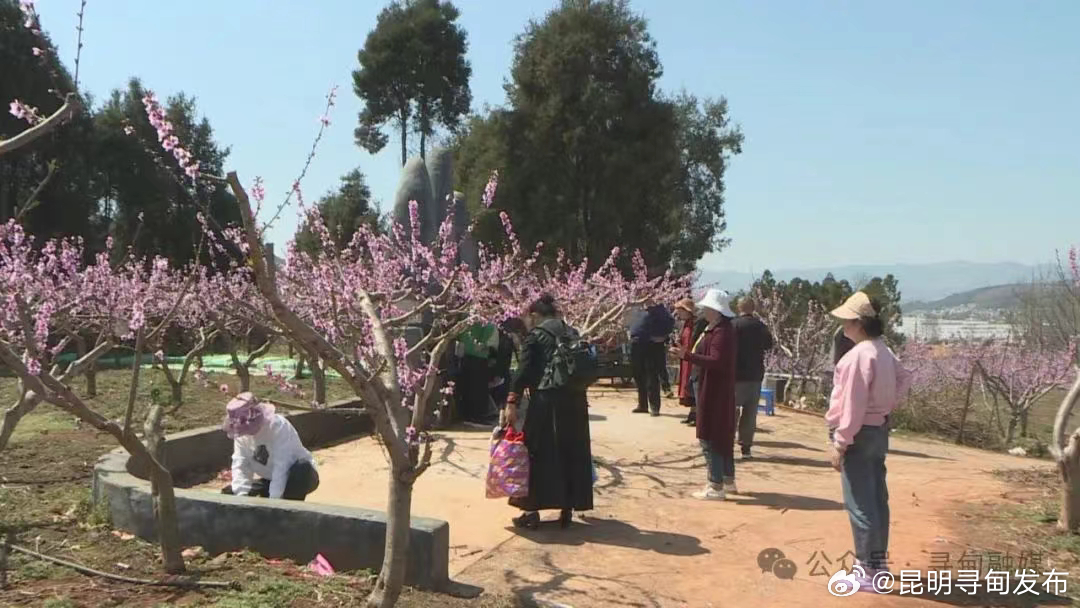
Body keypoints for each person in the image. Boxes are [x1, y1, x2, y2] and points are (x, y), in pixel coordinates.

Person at [825, 292, 911, 586]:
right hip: (878, 429)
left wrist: (840, 442)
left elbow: (852, 404)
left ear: (859, 323)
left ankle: (867, 569)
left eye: (847, 322)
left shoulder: (857, 357)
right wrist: (886, 405)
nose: (843, 327)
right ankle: (878, 562)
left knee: (860, 501)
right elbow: (904, 378)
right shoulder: (883, 350)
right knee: (876, 497)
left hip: (860, 432)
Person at [504, 294, 594, 529]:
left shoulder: (536, 335)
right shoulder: (571, 332)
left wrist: (511, 401)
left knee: (538, 453)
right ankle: (568, 507)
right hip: (575, 403)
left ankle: (531, 510)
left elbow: (522, 371)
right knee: (571, 452)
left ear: (535, 315)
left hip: (546, 403)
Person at [672, 289, 738, 500]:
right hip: (713, 387)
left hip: (713, 389)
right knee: (721, 434)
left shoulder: (721, 333)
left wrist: (687, 356)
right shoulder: (717, 329)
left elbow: (716, 361)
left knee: (711, 436)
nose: (704, 311)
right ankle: (726, 479)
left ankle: (715, 484)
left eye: (708, 308)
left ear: (716, 311)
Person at [221, 392, 320, 501]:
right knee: (230, 493)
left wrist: (274, 503)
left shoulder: (279, 427)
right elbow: (240, 463)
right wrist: (241, 497)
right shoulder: (240, 434)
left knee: (302, 468)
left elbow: (282, 466)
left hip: (299, 477)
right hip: (269, 478)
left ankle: (289, 514)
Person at [732, 298, 774, 459]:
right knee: (750, 413)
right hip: (756, 375)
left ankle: (727, 443)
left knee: (732, 410)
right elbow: (769, 345)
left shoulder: (734, 325)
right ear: (753, 308)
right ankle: (746, 447)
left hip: (736, 375)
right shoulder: (761, 326)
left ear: (739, 307)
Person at [628, 299, 676, 416]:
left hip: (652, 346)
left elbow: (670, 323)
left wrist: (662, 337)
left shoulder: (661, 310)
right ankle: (642, 405)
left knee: (652, 377)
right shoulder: (638, 308)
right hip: (637, 345)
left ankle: (654, 407)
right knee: (638, 375)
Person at [456, 322, 500, 426]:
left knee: (469, 387)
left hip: (465, 355)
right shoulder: (487, 324)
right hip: (479, 357)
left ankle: (469, 415)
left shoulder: (466, 320)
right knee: (479, 388)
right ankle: (477, 416)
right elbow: (490, 343)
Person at [674, 298, 709, 425]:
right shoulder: (685, 323)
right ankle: (692, 413)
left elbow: (695, 340)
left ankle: (697, 415)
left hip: (693, 358)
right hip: (686, 357)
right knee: (688, 385)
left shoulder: (697, 322)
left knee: (693, 384)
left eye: (680, 311)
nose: (678, 314)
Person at [492, 317, 527, 427]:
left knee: (504, 394)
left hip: (505, 368)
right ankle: (507, 416)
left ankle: (503, 417)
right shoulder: (514, 336)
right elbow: (519, 353)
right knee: (510, 392)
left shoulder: (502, 335)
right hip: (511, 368)